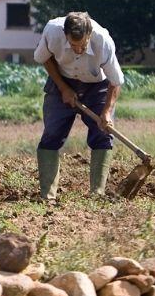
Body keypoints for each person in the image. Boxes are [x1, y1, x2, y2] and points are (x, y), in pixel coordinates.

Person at [32, 11, 124, 201]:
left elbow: (116, 81)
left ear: (89, 35)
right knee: (51, 134)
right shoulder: (52, 31)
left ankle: (97, 194)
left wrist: (106, 112)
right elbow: (43, 58)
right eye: (73, 46)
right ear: (65, 35)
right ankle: (47, 197)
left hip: (97, 86)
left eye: (82, 46)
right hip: (61, 81)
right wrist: (64, 88)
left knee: (102, 135)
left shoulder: (103, 41)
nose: (78, 51)